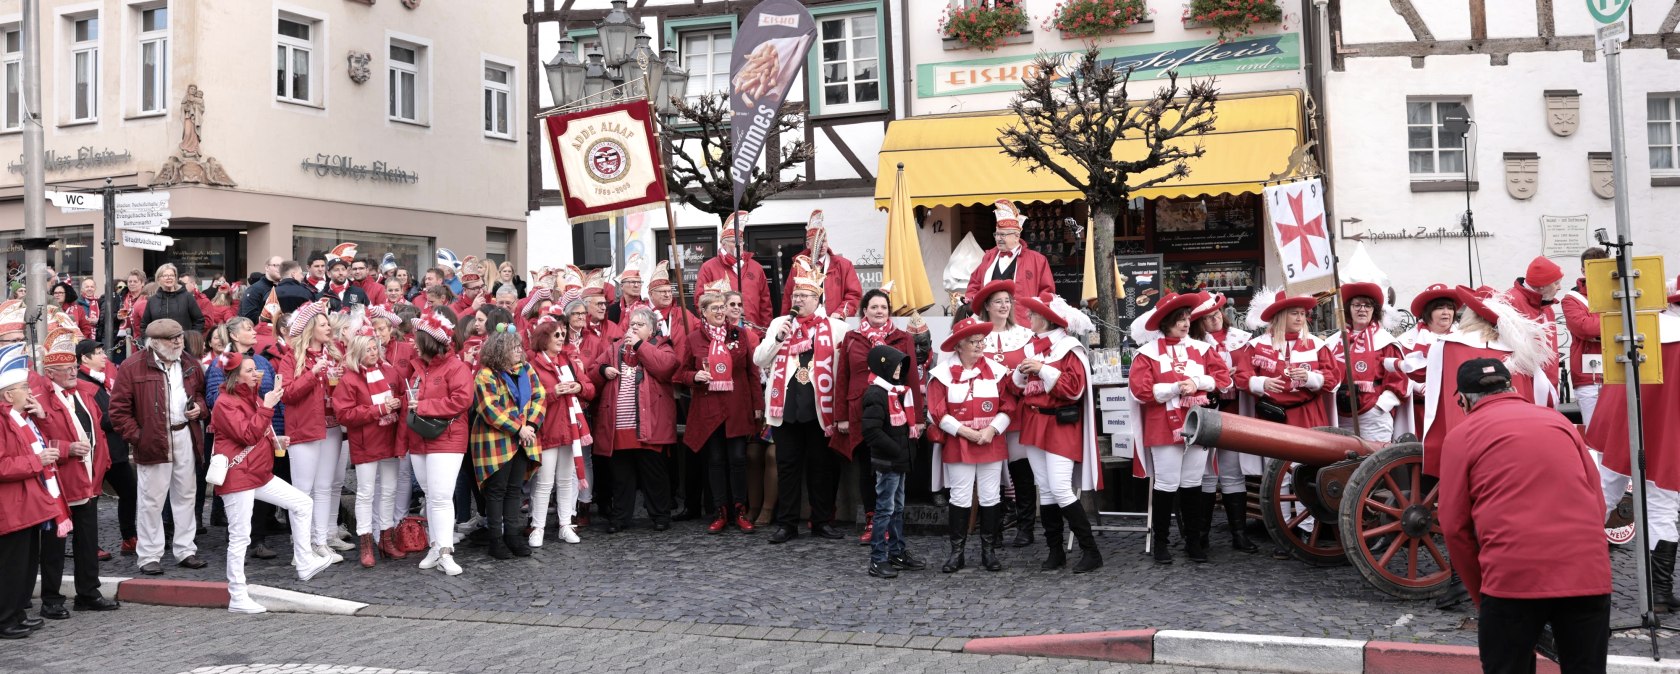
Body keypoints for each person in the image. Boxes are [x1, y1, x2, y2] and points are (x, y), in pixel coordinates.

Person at [1438, 358, 1611, 673]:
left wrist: (1482, 593)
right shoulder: (1559, 423)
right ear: (1513, 387)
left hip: (1511, 577)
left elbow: (1454, 528)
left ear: (1462, 400)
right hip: (1587, 572)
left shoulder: (1462, 436)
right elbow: (1597, 502)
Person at [211, 353, 333, 614]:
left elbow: (259, 433)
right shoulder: (225, 403)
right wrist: (267, 407)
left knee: (302, 503)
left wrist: (276, 441)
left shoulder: (251, 398)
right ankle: (237, 595)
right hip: (238, 475)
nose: (256, 374)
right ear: (235, 376)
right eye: (249, 370)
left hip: (257, 473)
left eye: (255, 369)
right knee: (240, 536)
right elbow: (247, 434)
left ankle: (304, 561)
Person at [1586, 281, 1680, 612]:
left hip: (1622, 421)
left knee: (1601, 493)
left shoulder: (1635, 328)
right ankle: (1659, 593)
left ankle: (1575, 575)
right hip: (1668, 431)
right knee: (1662, 503)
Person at [755, 256, 852, 544]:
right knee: (787, 468)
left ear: (817, 298)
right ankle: (786, 524)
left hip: (820, 410)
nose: (797, 299)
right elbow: (759, 359)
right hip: (786, 410)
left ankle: (822, 520)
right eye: (795, 295)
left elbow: (844, 369)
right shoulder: (779, 324)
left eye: (804, 295)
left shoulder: (836, 328)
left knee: (821, 468)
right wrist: (778, 339)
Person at [1128, 292, 1231, 564]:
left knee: (1193, 483)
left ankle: (1193, 542)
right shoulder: (1146, 354)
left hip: (1198, 423)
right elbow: (1140, 390)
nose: (1185, 324)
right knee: (1166, 484)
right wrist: (1175, 387)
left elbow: (1223, 379)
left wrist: (1197, 381)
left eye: (1187, 318)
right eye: (1179, 320)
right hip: (1163, 426)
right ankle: (1161, 544)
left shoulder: (1203, 349)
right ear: (1165, 323)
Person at [1006, 291, 1103, 573]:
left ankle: (1091, 551)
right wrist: (1021, 374)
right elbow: (1016, 389)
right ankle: (1055, 551)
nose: (1029, 317)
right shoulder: (1031, 347)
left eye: (1034, 314)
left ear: (1047, 320)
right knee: (1046, 490)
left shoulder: (1070, 348)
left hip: (1060, 424)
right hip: (1035, 422)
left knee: (1060, 488)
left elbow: (1075, 389)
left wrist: (1043, 369)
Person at [32, 317, 120, 616]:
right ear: (50, 372)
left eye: (74, 368)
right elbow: (36, 443)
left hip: (89, 480)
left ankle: (88, 593)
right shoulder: (39, 400)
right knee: (55, 547)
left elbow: (98, 429)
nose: (73, 373)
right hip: (60, 483)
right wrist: (67, 449)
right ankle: (51, 600)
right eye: (66, 370)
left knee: (88, 542)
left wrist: (103, 459)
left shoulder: (83, 392)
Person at [109, 318, 208, 575]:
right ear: (155, 342)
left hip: (184, 433)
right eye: (171, 338)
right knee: (151, 500)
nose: (177, 342)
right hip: (152, 439)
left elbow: (199, 394)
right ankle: (149, 555)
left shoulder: (189, 362)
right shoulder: (133, 367)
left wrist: (199, 408)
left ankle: (186, 549)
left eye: (179, 337)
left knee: (186, 495)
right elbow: (118, 412)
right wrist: (139, 437)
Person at [833, 286, 921, 544]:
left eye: (883, 307)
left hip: (895, 413)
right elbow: (843, 378)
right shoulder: (851, 337)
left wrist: (917, 418)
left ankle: (891, 521)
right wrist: (841, 417)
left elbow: (912, 377)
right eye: (874, 307)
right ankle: (872, 519)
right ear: (865, 311)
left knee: (891, 467)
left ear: (889, 311)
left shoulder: (902, 337)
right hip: (861, 411)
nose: (879, 311)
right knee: (867, 469)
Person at [928, 317, 1014, 572]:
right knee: (960, 496)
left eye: (981, 341)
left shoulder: (998, 372)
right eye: (972, 342)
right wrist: (964, 431)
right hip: (959, 442)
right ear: (958, 346)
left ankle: (988, 551)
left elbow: (1009, 406)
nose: (979, 346)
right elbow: (937, 411)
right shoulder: (941, 375)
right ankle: (957, 552)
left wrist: (992, 429)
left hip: (990, 440)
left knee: (990, 496)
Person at [678, 290, 763, 534]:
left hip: (737, 406)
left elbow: (752, 372)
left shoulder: (740, 335)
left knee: (737, 459)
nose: (718, 312)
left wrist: (758, 406)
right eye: (712, 308)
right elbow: (681, 373)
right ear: (703, 313)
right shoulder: (694, 339)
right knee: (715, 461)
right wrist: (695, 376)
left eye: (720, 307)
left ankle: (739, 509)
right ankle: (720, 511)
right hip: (709, 408)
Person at [204, 318, 287, 561]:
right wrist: (249, 390)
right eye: (248, 328)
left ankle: (259, 538)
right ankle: (239, 541)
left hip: (265, 428)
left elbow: (274, 396)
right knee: (240, 492)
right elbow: (214, 397)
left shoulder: (262, 360)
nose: (254, 332)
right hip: (237, 435)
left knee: (263, 483)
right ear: (233, 335)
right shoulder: (223, 362)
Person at [276, 300, 352, 562]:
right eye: (323, 324)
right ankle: (302, 546)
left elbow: (339, 392)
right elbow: (286, 394)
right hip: (304, 429)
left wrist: (341, 379)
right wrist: (313, 374)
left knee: (323, 487)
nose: (328, 328)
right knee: (303, 490)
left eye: (328, 323)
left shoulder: (333, 353)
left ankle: (320, 541)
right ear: (310, 328)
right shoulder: (292, 357)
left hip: (331, 428)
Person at [592, 308, 678, 532]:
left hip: (650, 425)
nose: (634, 328)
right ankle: (620, 518)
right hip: (620, 426)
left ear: (651, 329)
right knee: (621, 477)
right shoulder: (615, 348)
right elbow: (591, 370)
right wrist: (603, 369)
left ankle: (660, 515)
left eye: (640, 324)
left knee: (654, 474)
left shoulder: (661, 346)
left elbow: (665, 367)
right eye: (632, 324)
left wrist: (639, 345)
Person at [1187, 292, 1260, 554]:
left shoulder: (1243, 341)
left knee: (1232, 471)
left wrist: (1237, 376)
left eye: (1216, 312)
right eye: (1207, 316)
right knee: (1205, 474)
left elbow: (1252, 372)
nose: (1214, 318)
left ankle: (1239, 535)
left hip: (1234, 411)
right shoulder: (1192, 345)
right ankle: (1201, 536)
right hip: (1206, 412)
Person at [969, 280, 1040, 548]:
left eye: (1007, 301)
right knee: (991, 471)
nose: (1003, 306)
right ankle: (993, 528)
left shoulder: (1024, 335)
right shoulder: (976, 335)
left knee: (1021, 471)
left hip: (1019, 412)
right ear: (987, 306)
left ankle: (1025, 527)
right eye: (998, 301)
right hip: (986, 413)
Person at [402, 308, 471, 575]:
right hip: (420, 439)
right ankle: (435, 545)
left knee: (441, 496)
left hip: (447, 439)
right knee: (432, 496)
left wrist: (425, 406)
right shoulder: (418, 369)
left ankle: (445, 551)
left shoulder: (456, 367)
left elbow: (462, 401)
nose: (413, 343)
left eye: (417, 340)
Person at [470, 328, 546, 559]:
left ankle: (513, 536)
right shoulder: (486, 375)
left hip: (525, 438)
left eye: (519, 347)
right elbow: (490, 409)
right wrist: (518, 428)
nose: (518, 352)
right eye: (513, 348)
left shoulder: (527, 370)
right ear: (500, 351)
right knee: (496, 491)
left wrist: (531, 425)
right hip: (495, 441)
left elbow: (539, 396)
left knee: (514, 490)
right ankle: (496, 539)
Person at [0, 343, 59, 639]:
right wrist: (37, 461)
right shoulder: (3, 421)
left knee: (24, 566)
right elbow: (2, 465)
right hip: (10, 507)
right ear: (9, 395)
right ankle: (5, 618)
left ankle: (17, 612)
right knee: (11, 566)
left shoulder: (19, 418)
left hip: (26, 503)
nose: (30, 390)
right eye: (24, 386)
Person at [334, 331, 407, 567]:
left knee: (389, 490)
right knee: (365, 493)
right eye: (367, 349)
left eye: (375, 348)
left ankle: (386, 537)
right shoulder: (350, 379)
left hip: (389, 438)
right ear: (356, 352)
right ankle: (366, 542)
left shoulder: (390, 371)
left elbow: (401, 396)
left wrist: (398, 404)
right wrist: (380, 410)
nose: (373, 352)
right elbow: (345, 414)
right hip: (366, 441)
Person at [527, 319, 594, 547]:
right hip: (547, 429)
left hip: (568, 428)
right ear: (544, 338)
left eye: (562, 335)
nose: (560, 339)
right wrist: (553, 392)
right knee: (544, 482)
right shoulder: (533, 364)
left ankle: (566, 524)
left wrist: (579, 387)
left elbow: (589, 387)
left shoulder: (568, 361)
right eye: (556, 335)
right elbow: (528, 398)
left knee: (566, 479)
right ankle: (538, 526)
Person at [861, 344, 926, 578]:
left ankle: (897, 552)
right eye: (896, 365)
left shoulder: (897, 392)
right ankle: (877, 558)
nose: (900, 369)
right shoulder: (876, 394)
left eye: (901, 365)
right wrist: (897, 450)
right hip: (888, 463)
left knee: (897, 509)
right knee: (885, 510)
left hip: (898, 463)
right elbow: (872, 432)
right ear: (884, 366)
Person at [1328, 282, 1407, 443]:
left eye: (1368, 306)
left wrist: (1380, 407)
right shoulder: (1333, 342)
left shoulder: (1385, 341)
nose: (1362, 309)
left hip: (1373, 417)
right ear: (1349, 309)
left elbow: (1398, 378)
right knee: (1341, 465)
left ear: (1374, 310)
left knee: (1374, 463)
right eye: (1357, 305)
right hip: (1340, 416)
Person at [80, 340, 136, 558]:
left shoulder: (103, 380)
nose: (104, 356)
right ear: (84, 358)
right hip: (97, 452)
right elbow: (95, 419)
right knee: (90, 501)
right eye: (98, 353)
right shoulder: (82, 382)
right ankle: (88, 545)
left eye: (103, 351)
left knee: (130, 492)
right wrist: (123, 414)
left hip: (116, 449)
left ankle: (129, 538)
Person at [964, 200, 1055, 327]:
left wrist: (1037, 318)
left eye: (1003, 235)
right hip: (990, 324)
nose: (998, 238)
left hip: (1023, 324)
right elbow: (974, 283)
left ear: (1017, 236)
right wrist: (972, 302)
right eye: (997, 234)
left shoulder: (1037, 260)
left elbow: (1047, 293)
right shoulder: (988, 257)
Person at [1502, 256, 1565, 406]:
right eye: (1556, 283)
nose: (1560, 287)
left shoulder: (1546, 306)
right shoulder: (1511, 301)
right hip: (1524, 384)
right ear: (1541, 286)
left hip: (1546, 382)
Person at [1398, 284, 1459, 436]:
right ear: (1428, 312)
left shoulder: (1464, 338)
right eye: (1440, 308)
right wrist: (1418, 386)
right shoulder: (1405, 341)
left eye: (1449, 308)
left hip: (1456, 409)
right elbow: (1397, 378)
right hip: (1419, 412)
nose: (1446, 312)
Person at [697, 212, 774, 331]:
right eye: (734, 242)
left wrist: (765, 330)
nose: (739, 245)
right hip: (722, 332)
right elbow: (701, 301)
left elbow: (765, 303)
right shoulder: (709, 267)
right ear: (723, 244)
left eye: (741, 241)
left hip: (753, 332)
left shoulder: (756, 267)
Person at [781, 210, 862, 320]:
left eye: (824, 241)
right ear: (808, 244)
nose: (822, 245)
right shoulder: (798, 266)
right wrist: (787, 320)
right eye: (817, 242)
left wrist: (841, 312)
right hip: (803, 323)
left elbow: (854, 294)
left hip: (834, 321)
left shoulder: (844, 265)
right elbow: (788, 297)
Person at [1562, 248, 1610, 426]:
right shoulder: (1571, 299)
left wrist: (1598, 326)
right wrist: (1614, 324)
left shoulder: (1618, 294)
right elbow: (1585, 328)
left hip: (1621, 371)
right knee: (1594, 431)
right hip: (1589, 376)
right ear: (1583, 270)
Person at [140, 264, 205, 337]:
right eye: (165, 276)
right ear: (158, 279)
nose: (169, 278)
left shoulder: (187, 297)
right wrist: (149, 341)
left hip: (183, 345)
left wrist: (191, 339)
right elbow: (144, 326)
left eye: (172, 275)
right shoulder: (152, 300)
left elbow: (199, 321)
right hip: (159, 346)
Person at [240, 257, 284, 323]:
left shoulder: (283, 288)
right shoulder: (254, 289)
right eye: (276, 265)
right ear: (267, 268)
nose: (281, 269)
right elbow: (248, 317)